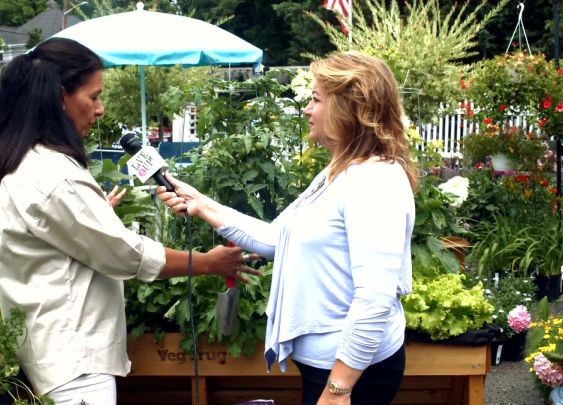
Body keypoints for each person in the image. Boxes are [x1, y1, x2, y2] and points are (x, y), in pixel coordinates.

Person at [0, 37, 260, 404]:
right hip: (75, 363)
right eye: (94, 96)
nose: (100, 109)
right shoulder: (54, 174)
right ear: (59, 97)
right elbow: (126, 254)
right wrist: (208, 263)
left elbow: (57, 243)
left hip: (50, 353)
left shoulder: (21, 162)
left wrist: (98, 222)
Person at [158, 51, 418, 405]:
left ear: (348, 107)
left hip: (352, 378)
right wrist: (200, 203)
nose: (307, 109)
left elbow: (375, 299)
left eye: (316, 99)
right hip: (328, 371)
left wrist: (338, 390)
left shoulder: (374, 181)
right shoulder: (339, 173)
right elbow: (275, 238)